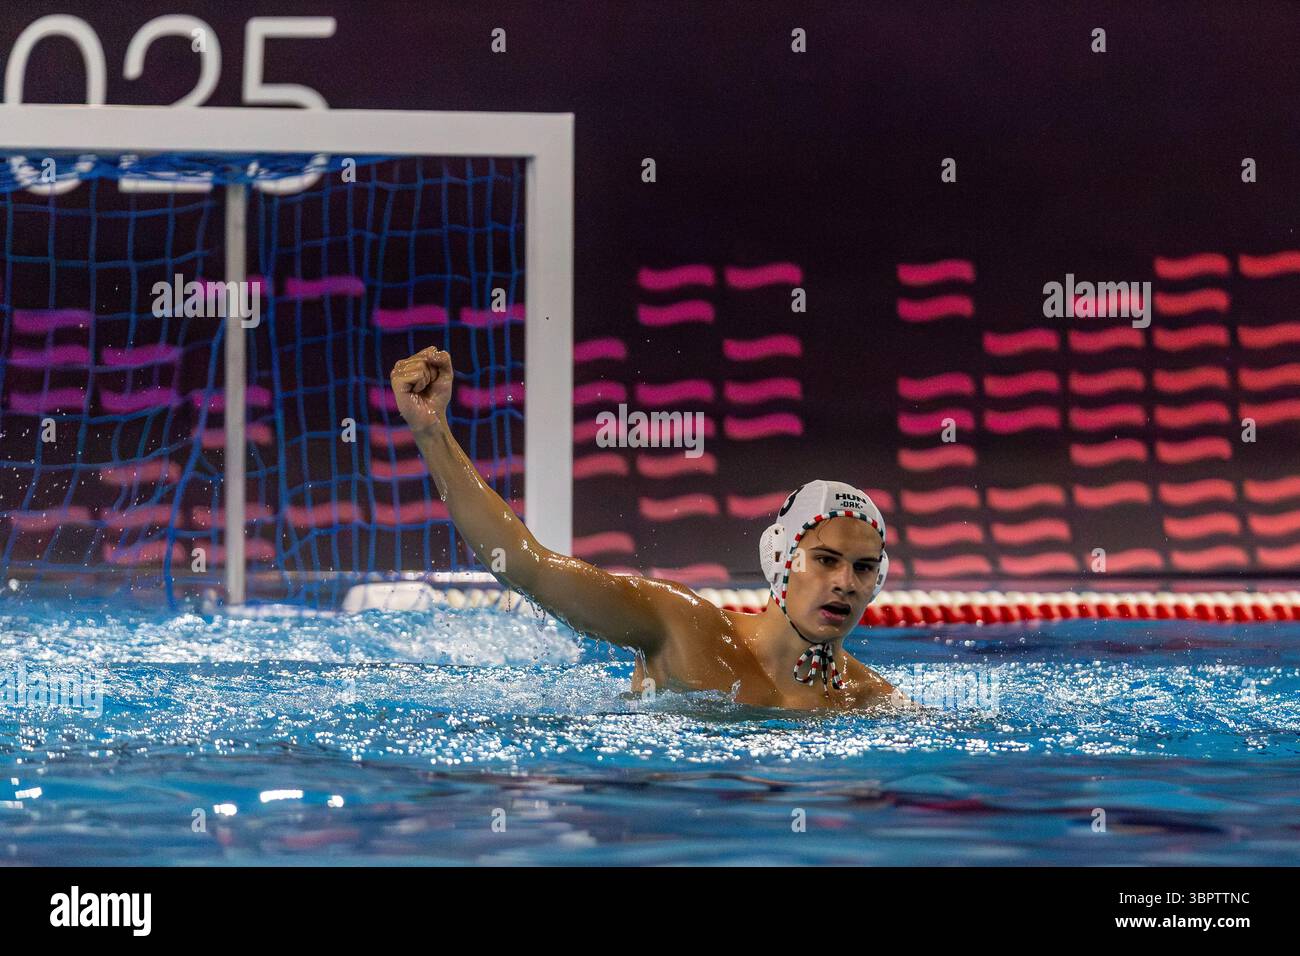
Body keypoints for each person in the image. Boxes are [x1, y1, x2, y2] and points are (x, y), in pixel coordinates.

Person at [391, 345, 910, 710]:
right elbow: (527, 567)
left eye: (864, 568)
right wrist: (431, 431)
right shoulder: (681, 627)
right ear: (781, 559)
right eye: (826, 559)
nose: (846, 582)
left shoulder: (870, 701)